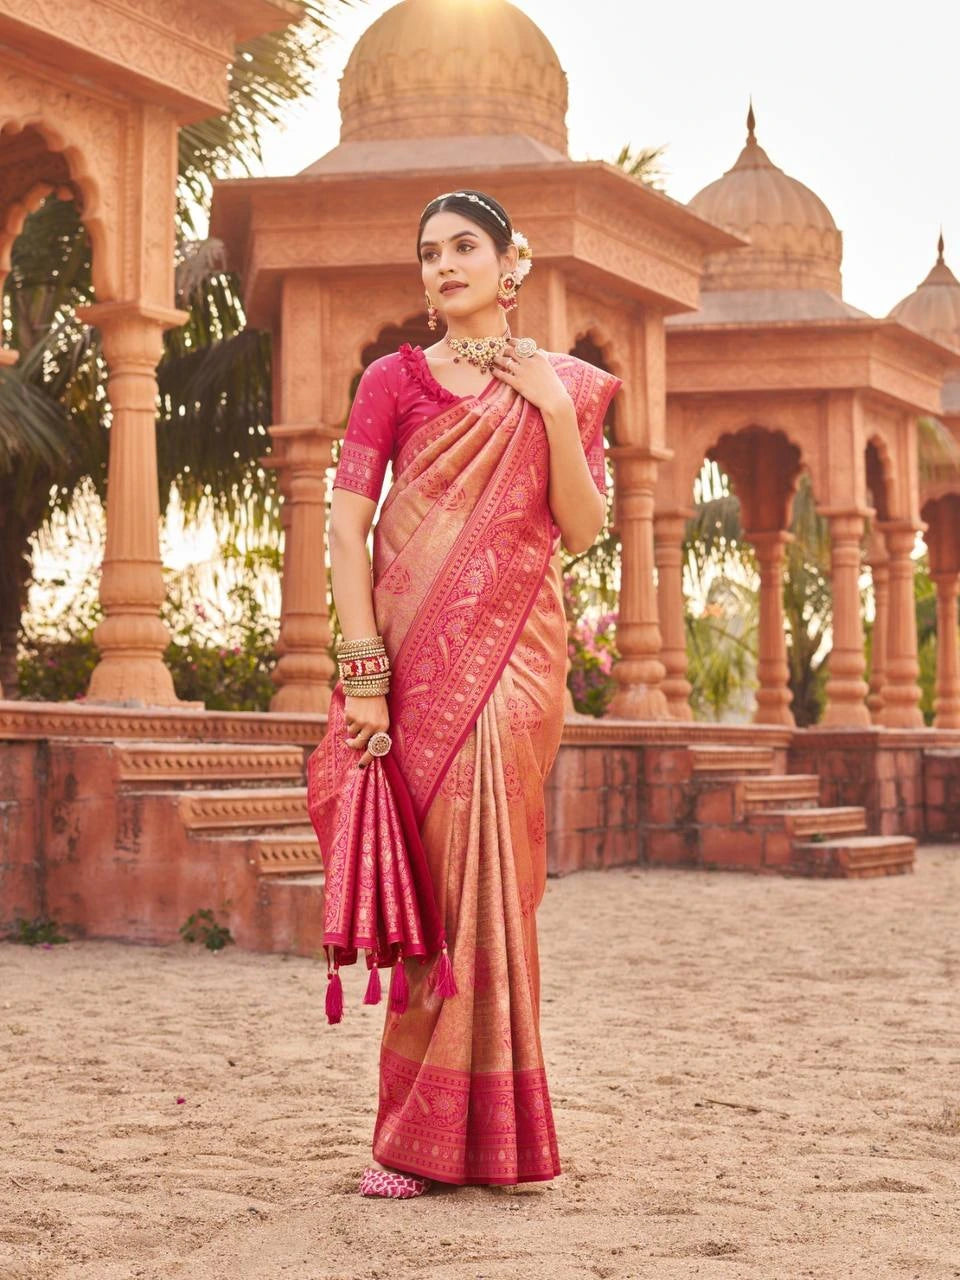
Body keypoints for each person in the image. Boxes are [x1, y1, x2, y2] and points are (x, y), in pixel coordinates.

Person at [325, 189, 622, 1199]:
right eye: (428, 252)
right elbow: (347, 527)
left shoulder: (566, 388)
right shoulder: (390, 382)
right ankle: (413, 1132)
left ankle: (487, 1135)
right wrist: (364, 673)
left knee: (493, 883)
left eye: (464, 247)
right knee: (438, 890)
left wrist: (541, 399)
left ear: (510, 263)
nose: (444, 265)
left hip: (515, 666)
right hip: (413, 668)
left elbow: (581, 530)